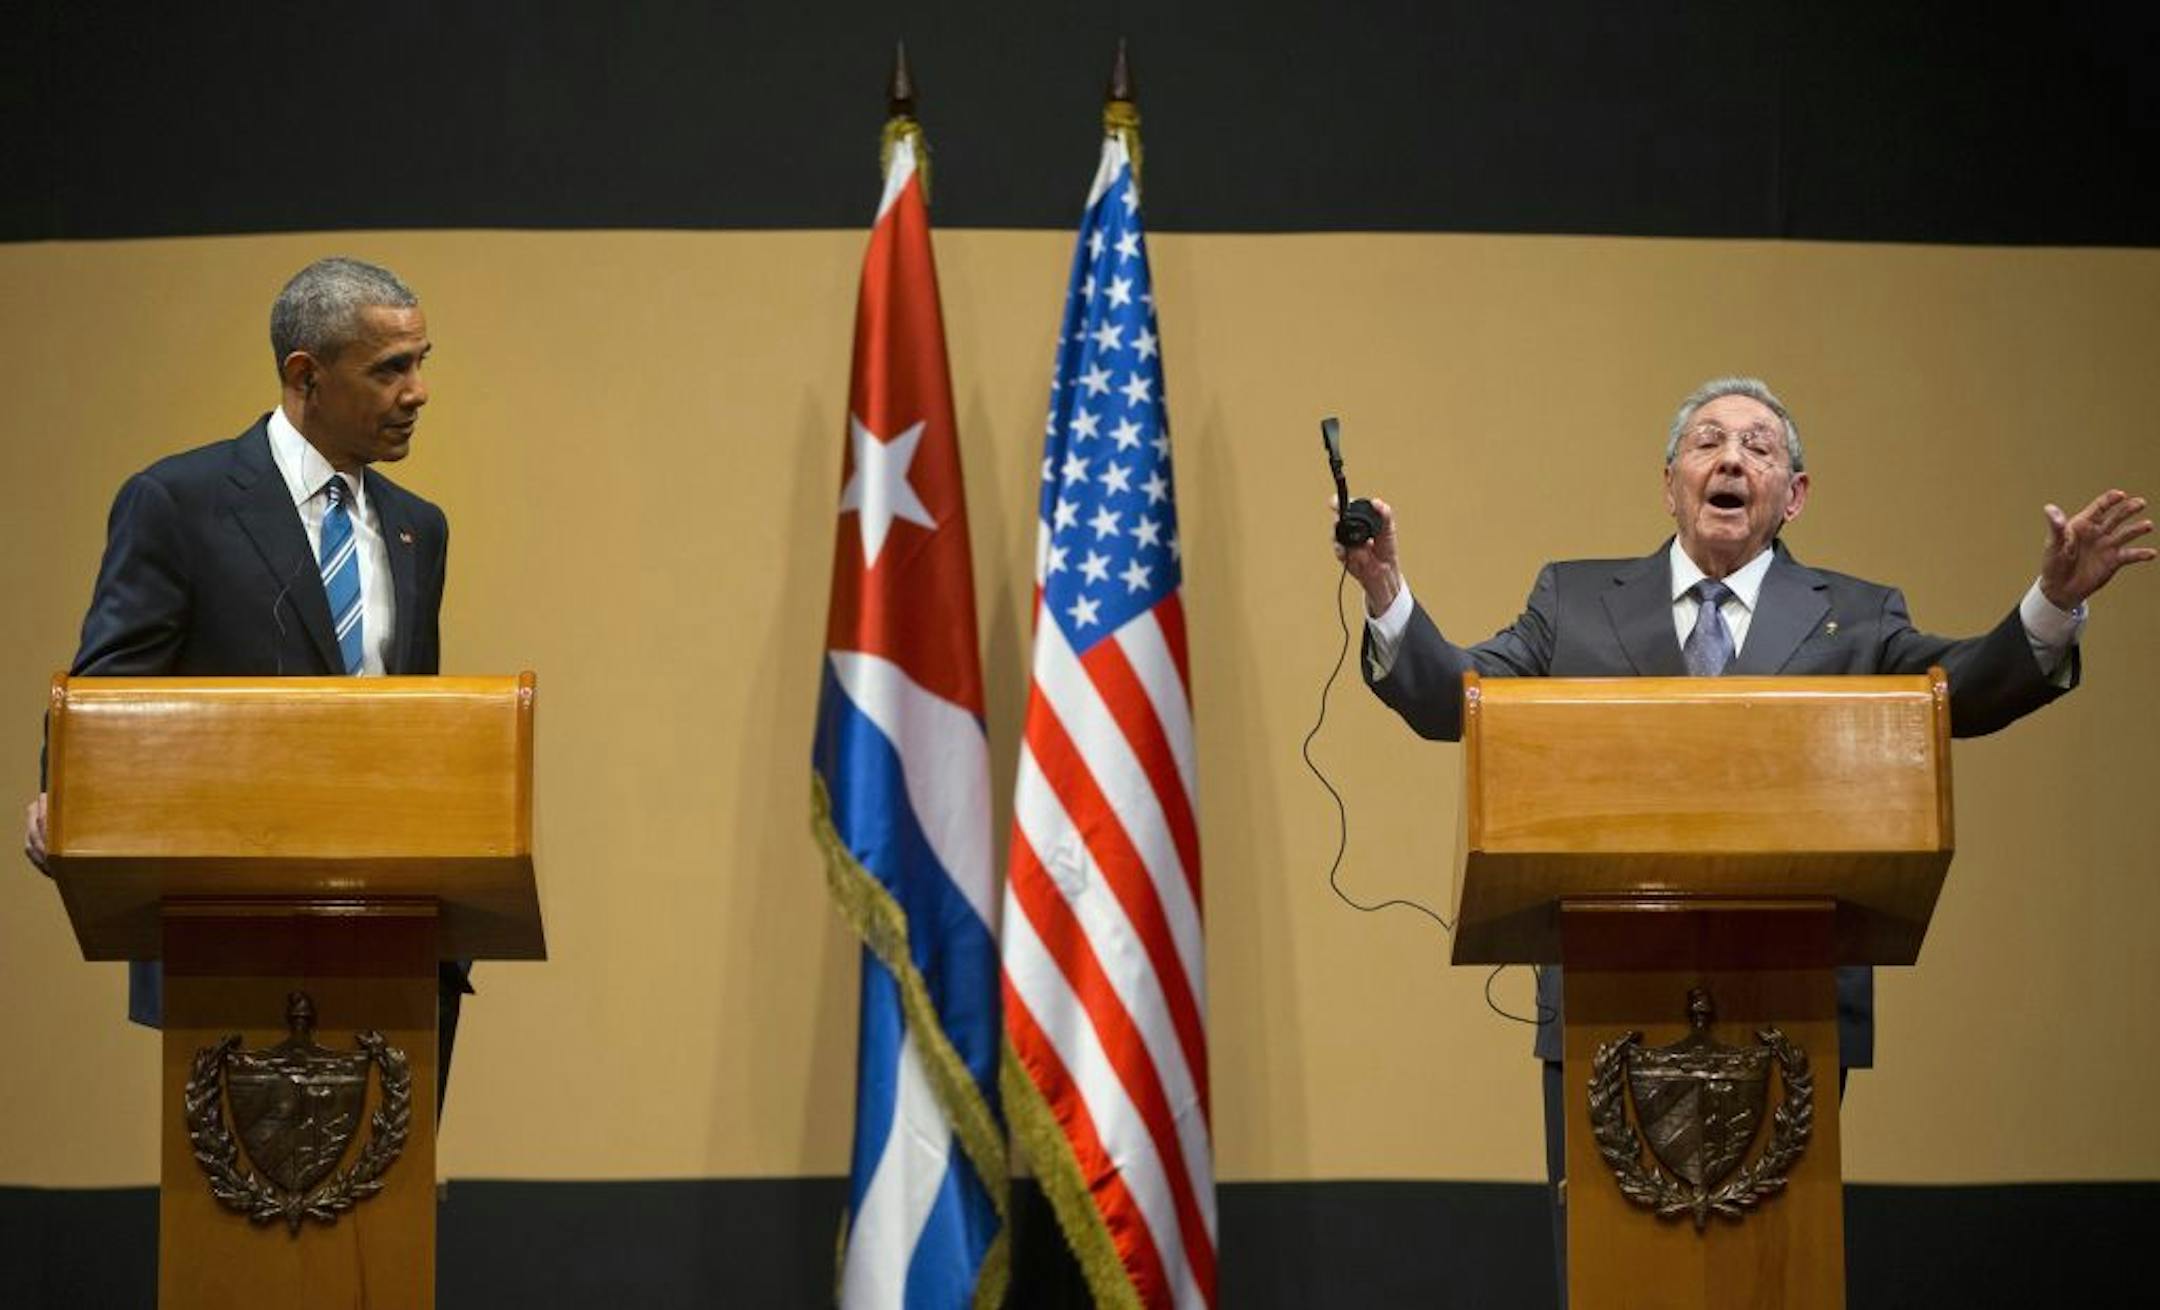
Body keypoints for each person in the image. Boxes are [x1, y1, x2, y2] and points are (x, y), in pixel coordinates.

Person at [1337, 375, 2152, 1303]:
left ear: (1793, 494)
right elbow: (1460, 703)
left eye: (1759, 447)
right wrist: (1387, 590)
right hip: (1603, 999)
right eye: (1709, 442)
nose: (1732, 459)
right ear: (1672, 481)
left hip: (1790, 1001)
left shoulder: (1856, 614)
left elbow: (1959, 693)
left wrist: (2050, 602)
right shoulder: (1571, 603)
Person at [22, 256, 468, 1108]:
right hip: (231, 943)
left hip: (390, 943)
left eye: (422, 361)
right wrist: (68, 796)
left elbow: (413, 728)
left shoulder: (419, 530)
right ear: (305, 374)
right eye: (390, 369)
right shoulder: (179, 503)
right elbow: (108, 694)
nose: (418, 391)